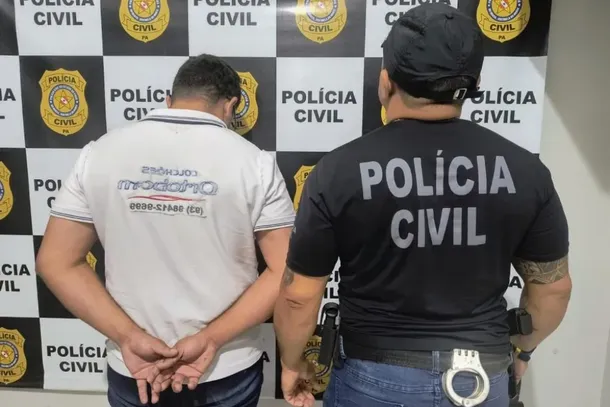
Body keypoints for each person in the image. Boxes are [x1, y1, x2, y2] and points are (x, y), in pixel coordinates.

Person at [273, 4, 572, 407]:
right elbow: (553, 289)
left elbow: (298, 296)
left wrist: (292, 363)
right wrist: (522, 350)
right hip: (479, 379)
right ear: (475, 83)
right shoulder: (526, 171)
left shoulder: (337, 171)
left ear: (385, 82)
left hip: (372, 377)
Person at [35, 54, 295, 407]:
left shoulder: (99, 153)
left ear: (169, 99)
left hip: (135, 367)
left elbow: (56, 262)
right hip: (224, 366)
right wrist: (211, 339)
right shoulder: (256, 164)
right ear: (231, 105)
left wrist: (128, 337)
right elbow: (286, 271)